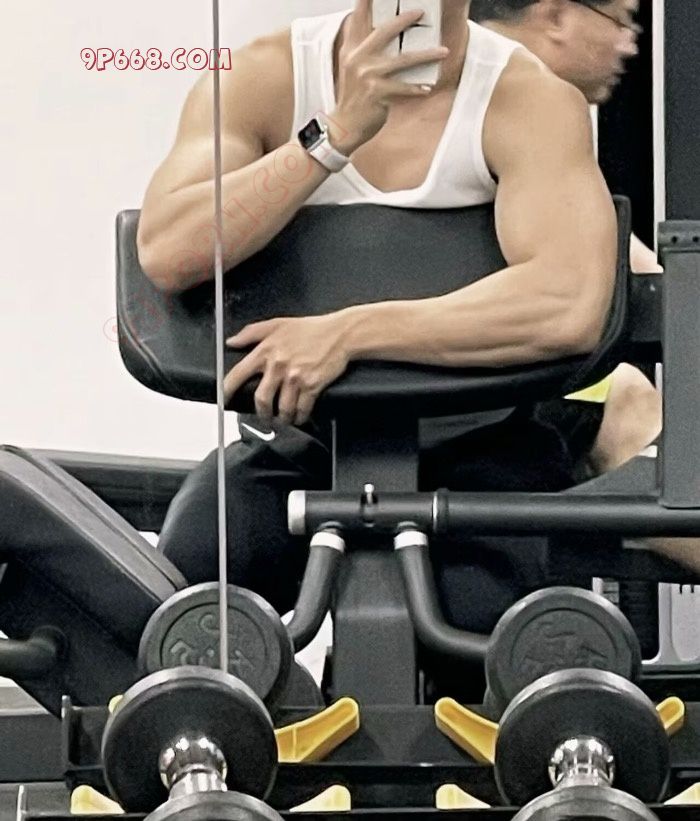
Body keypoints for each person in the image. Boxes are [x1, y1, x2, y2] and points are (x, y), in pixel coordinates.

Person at [137, 0, 620, 634]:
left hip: (481, 443)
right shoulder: (263, 77)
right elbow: (169, 251)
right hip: (301, 442)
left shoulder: (529, 99)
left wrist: (349, 334)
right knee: (187, 600)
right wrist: (335, 135)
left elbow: (567, 304)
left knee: (501, 627)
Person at [469, 0, 665, 489]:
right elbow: (637, 274)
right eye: (622, 20)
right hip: (468, 396)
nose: (629, 44)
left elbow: (639, 267)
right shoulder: (514, 107)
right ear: (556, 17)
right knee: (626, 396)